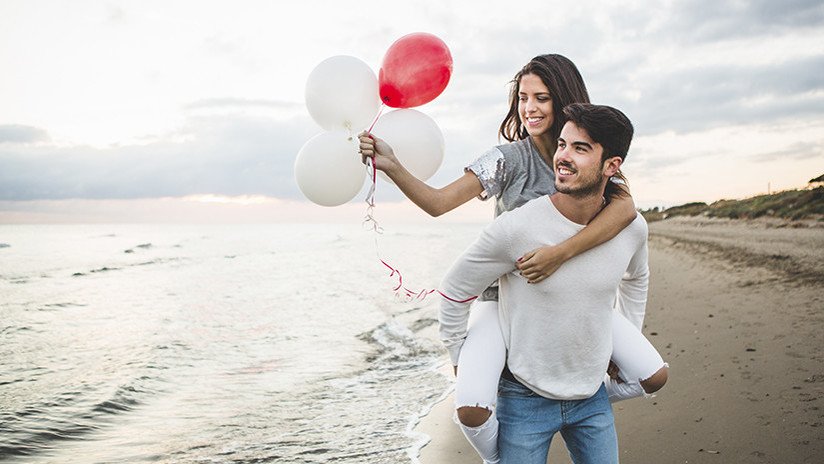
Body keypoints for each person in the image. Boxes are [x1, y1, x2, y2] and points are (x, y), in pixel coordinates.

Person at [359, 55, 667, 463]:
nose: (530, 108)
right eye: (522, 98)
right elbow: (438, 203)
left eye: (542, 97)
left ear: (564, 99)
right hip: (503, 298)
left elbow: (625, 213)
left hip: (570, 295)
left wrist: (559, 254)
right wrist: (393, 165)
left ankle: (580, 397)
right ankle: (500, 455)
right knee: (471, 402)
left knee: (652, 373)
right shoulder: (506, 160)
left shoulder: (590, 155)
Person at [439, 103, 650, 463]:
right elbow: (455, 290)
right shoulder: (516, 228)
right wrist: (460, 356)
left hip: (591, 398)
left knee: (654, 374)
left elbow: (636, 278)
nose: (563, 157)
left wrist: (622, 339)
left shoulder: (630, 229)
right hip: (524, 400)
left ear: (612, 166)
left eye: (580, 149)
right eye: (562, 145)